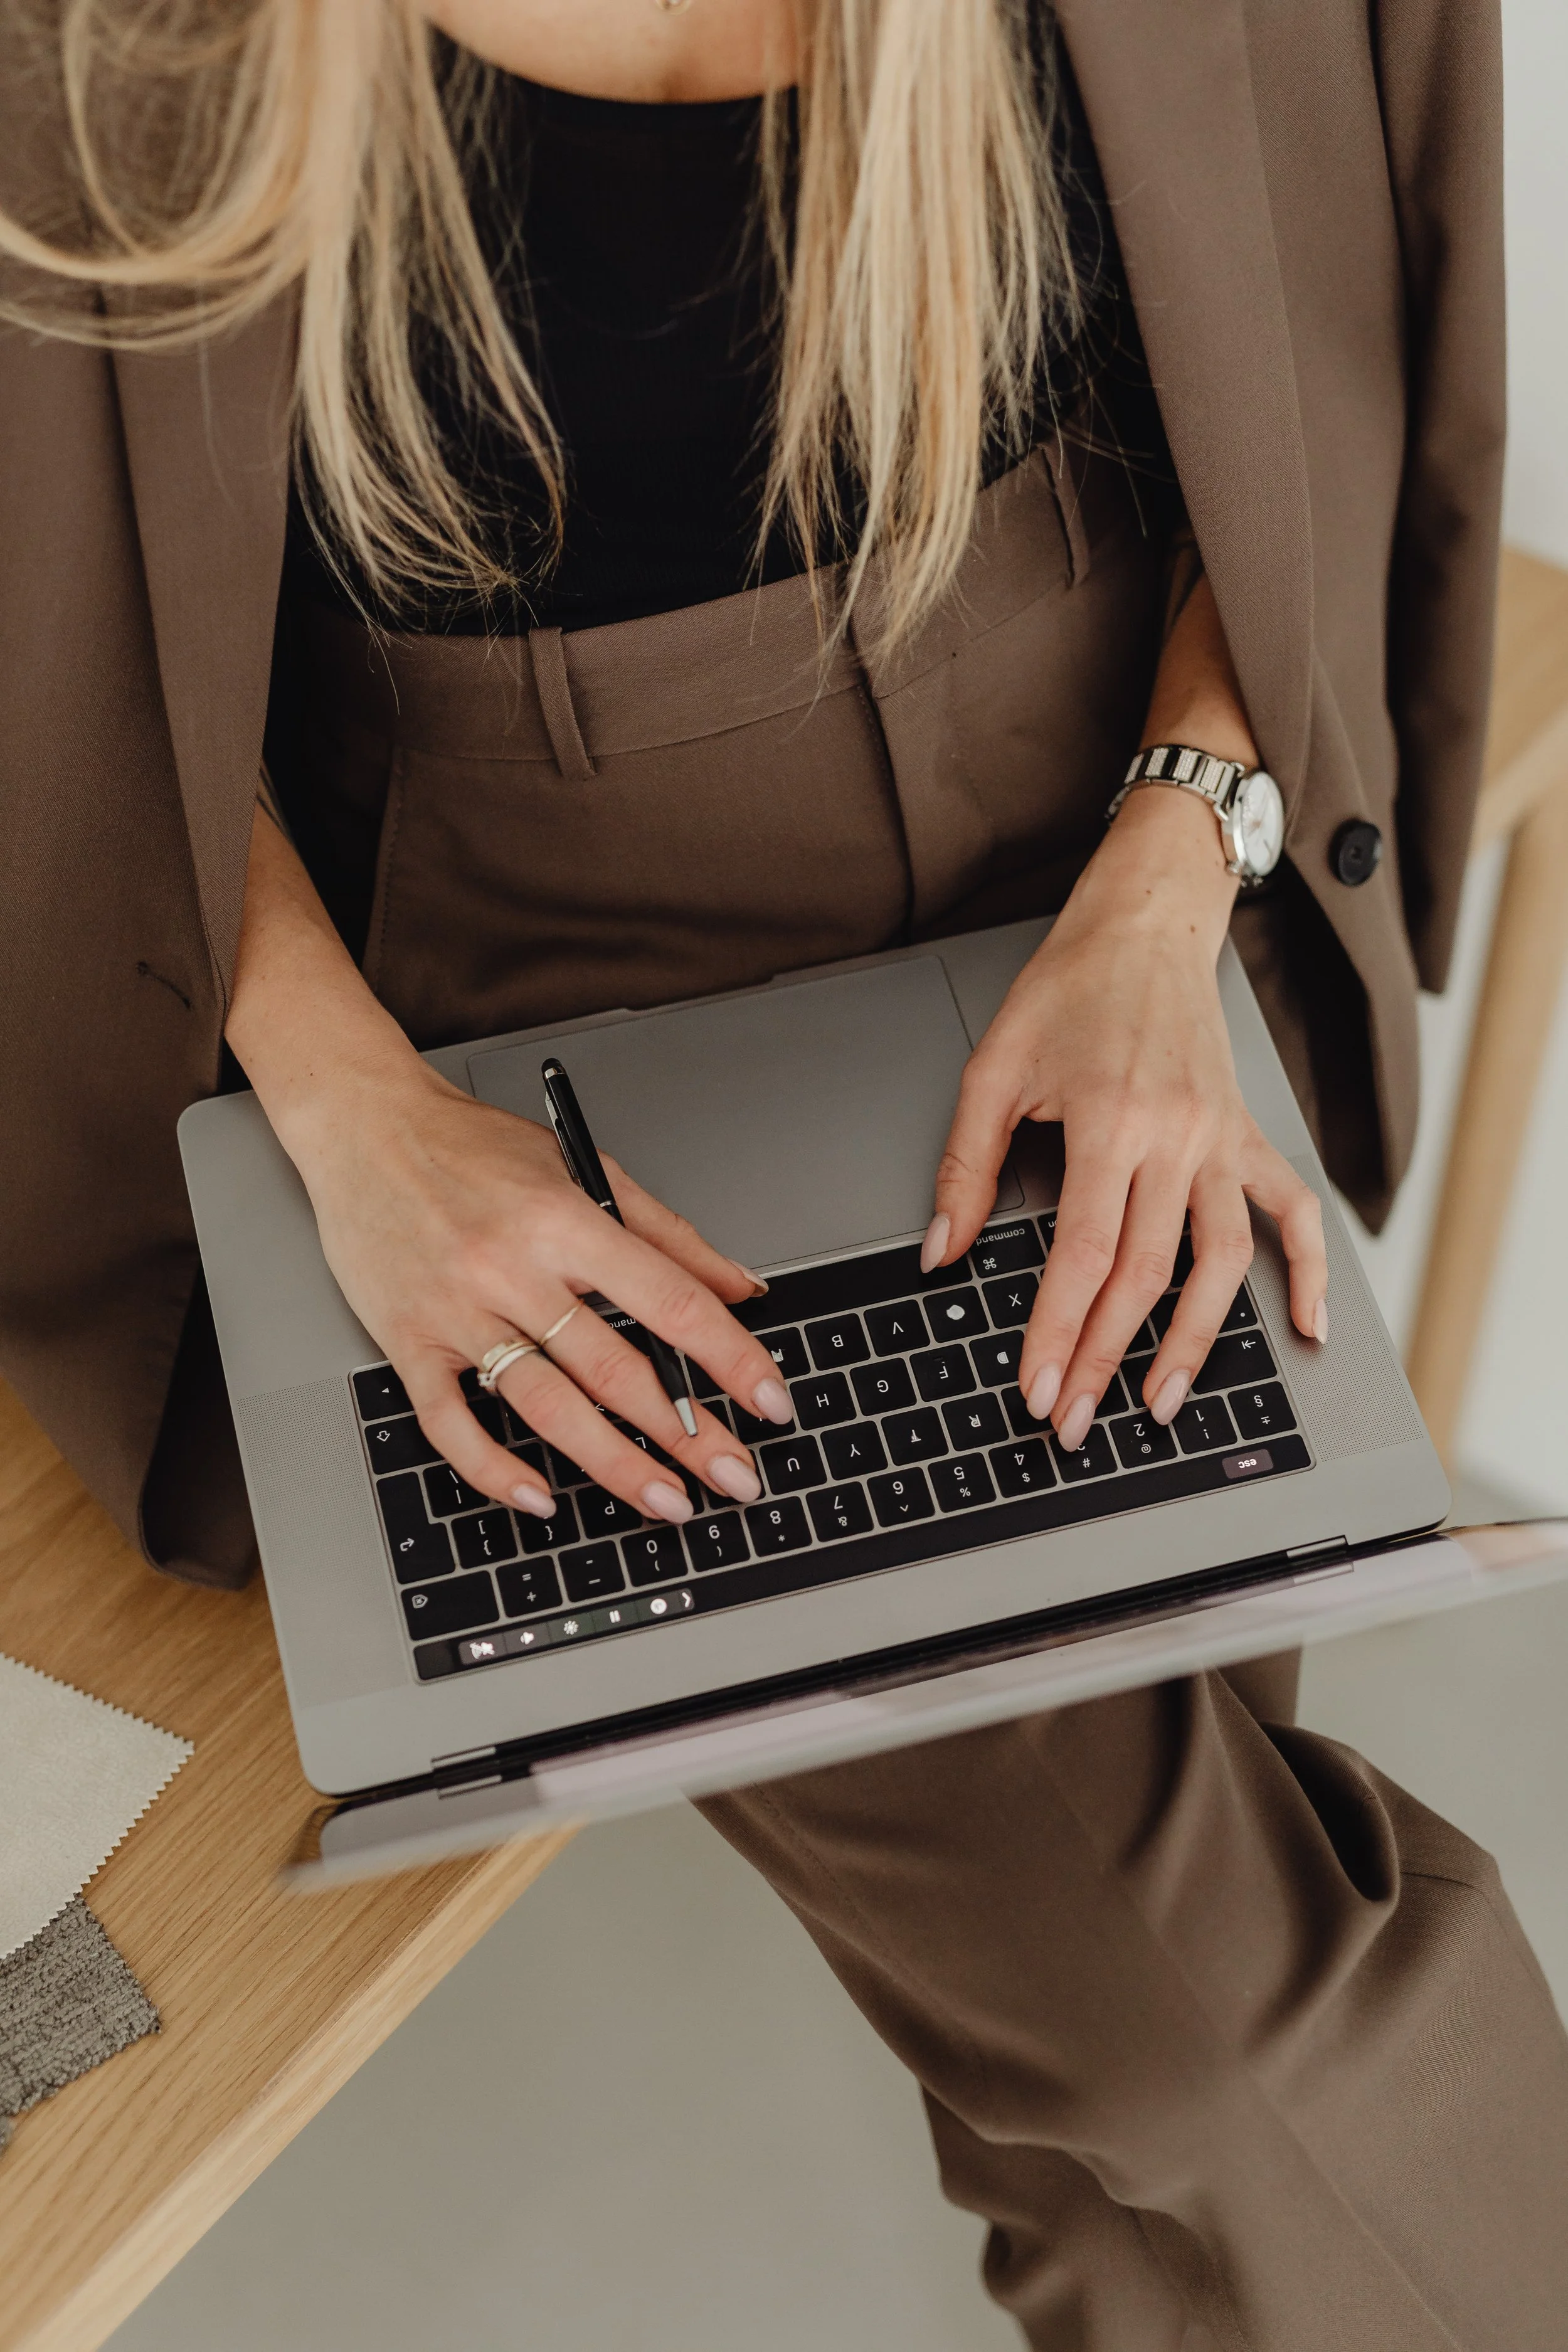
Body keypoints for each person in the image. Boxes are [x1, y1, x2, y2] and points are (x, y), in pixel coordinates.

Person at [3, 0, 1566, 2342]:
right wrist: (341, 1104)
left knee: (1147, 2068)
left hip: (1099, 837)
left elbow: (1304, 346)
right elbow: (55, 640)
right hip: (518, 1006)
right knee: (1222, 2044)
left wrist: (1177, 860)